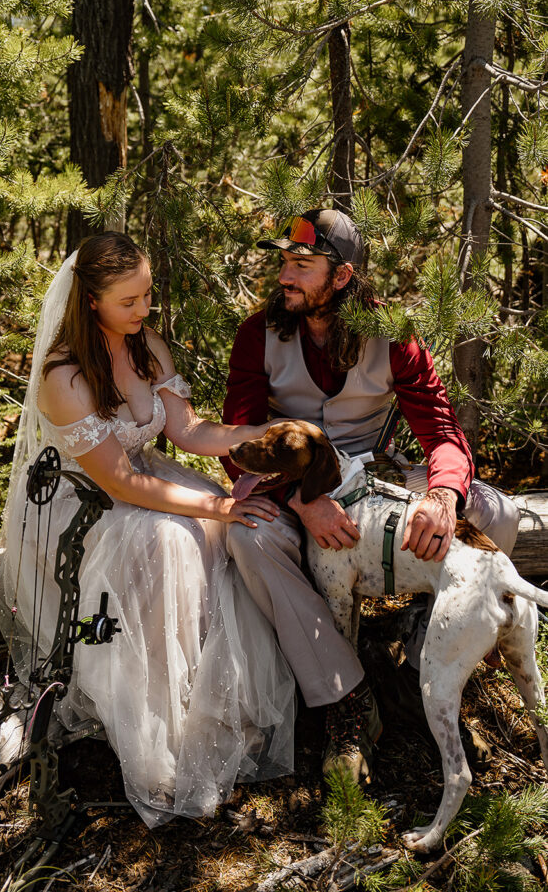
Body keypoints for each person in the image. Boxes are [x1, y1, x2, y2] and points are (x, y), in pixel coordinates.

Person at [0, 232, 296, 828]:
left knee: (212, 524)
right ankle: (157, 739)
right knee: (171, 541)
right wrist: (216, 511)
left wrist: (254, 437)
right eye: (129, 301)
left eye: (147, 296)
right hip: (82, 505)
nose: (144, 310)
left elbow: (189, 434)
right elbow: (123, 484)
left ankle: (212, 713)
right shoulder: (65, 376)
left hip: (141, 482)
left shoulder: (145, 344)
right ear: (91, 302)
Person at [221, 207, 520, 780]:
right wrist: (302, 501)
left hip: (377, 477)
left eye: (301, 265)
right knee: (250, 539)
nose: (285, 275)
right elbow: (239, 439)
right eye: (284, 262)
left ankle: (420, 666)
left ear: (342, 276)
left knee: (494, 514)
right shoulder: (257, 333)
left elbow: (440, 428)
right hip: (290, 486)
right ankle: (346, 700)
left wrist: (443, 496)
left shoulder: (393, 333)